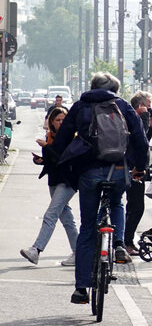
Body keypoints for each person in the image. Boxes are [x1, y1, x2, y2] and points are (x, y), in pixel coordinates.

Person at [52, 72, 148, 305]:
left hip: (89, 173)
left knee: (87, 229)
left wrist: (61, 162)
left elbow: (62, 138)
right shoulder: (122, 106)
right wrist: (139, 167)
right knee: (116, 202)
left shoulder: (80, 106)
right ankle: (118, 245)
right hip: (117, 170)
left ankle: (81, 289)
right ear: (115, 88)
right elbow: (140, 139)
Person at [21, 107, 77, 266]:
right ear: (51, 122)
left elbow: (62, 159)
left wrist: (46, 147)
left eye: (64, 120)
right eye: (58, 120)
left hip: (67, 182)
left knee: (51, 214)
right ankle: (79, 252)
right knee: (66, 218)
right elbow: (52, 161)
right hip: (54, 180)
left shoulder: (71, 138)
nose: (61, 123)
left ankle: (36, 250)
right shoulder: (51, 137)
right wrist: (41, 160)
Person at [124, 91, 152, 257]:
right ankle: (126, 242)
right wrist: (144, 119)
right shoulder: (134, 120)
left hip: (136, 168)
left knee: (133, 207)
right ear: (141, 106)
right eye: (148, 108)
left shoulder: (137, 120)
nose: (150, 112)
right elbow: (139, 141)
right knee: (136, 208)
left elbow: (145, 140)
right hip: (134, 169)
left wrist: (151, 126)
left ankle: (126, 240)